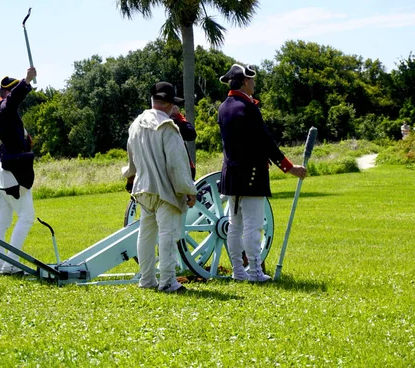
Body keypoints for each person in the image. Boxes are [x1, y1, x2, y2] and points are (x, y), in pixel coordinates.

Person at [218, 64, 307, 282]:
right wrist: (288, 167)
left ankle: (238, 271)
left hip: (230, 173)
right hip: (251, 173)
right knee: (253, 225)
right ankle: (255, 272)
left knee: (234, 225)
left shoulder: (223, 107)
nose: (254, 84)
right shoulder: (248, 108)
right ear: (246, 82)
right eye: (253, 81)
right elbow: (265, 141)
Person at [122, 81, 197, 292]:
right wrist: (189, 191)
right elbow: (177, 165)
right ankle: (168, 282)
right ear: (171, 104)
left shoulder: (135, 124)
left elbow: (131, 162)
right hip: (165, 190)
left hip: (143, 188)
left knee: (145, 234)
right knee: (168, 234)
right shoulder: (168, 127)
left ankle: (146, 280)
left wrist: (130, 178)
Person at [0, 67, 37, 275]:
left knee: (3, 222)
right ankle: (11, 265)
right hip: (9, 172)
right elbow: (13, 101)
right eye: (13, 89)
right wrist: (26, 81)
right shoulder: (3, 109)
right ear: (6, 92)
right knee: (26, 216)